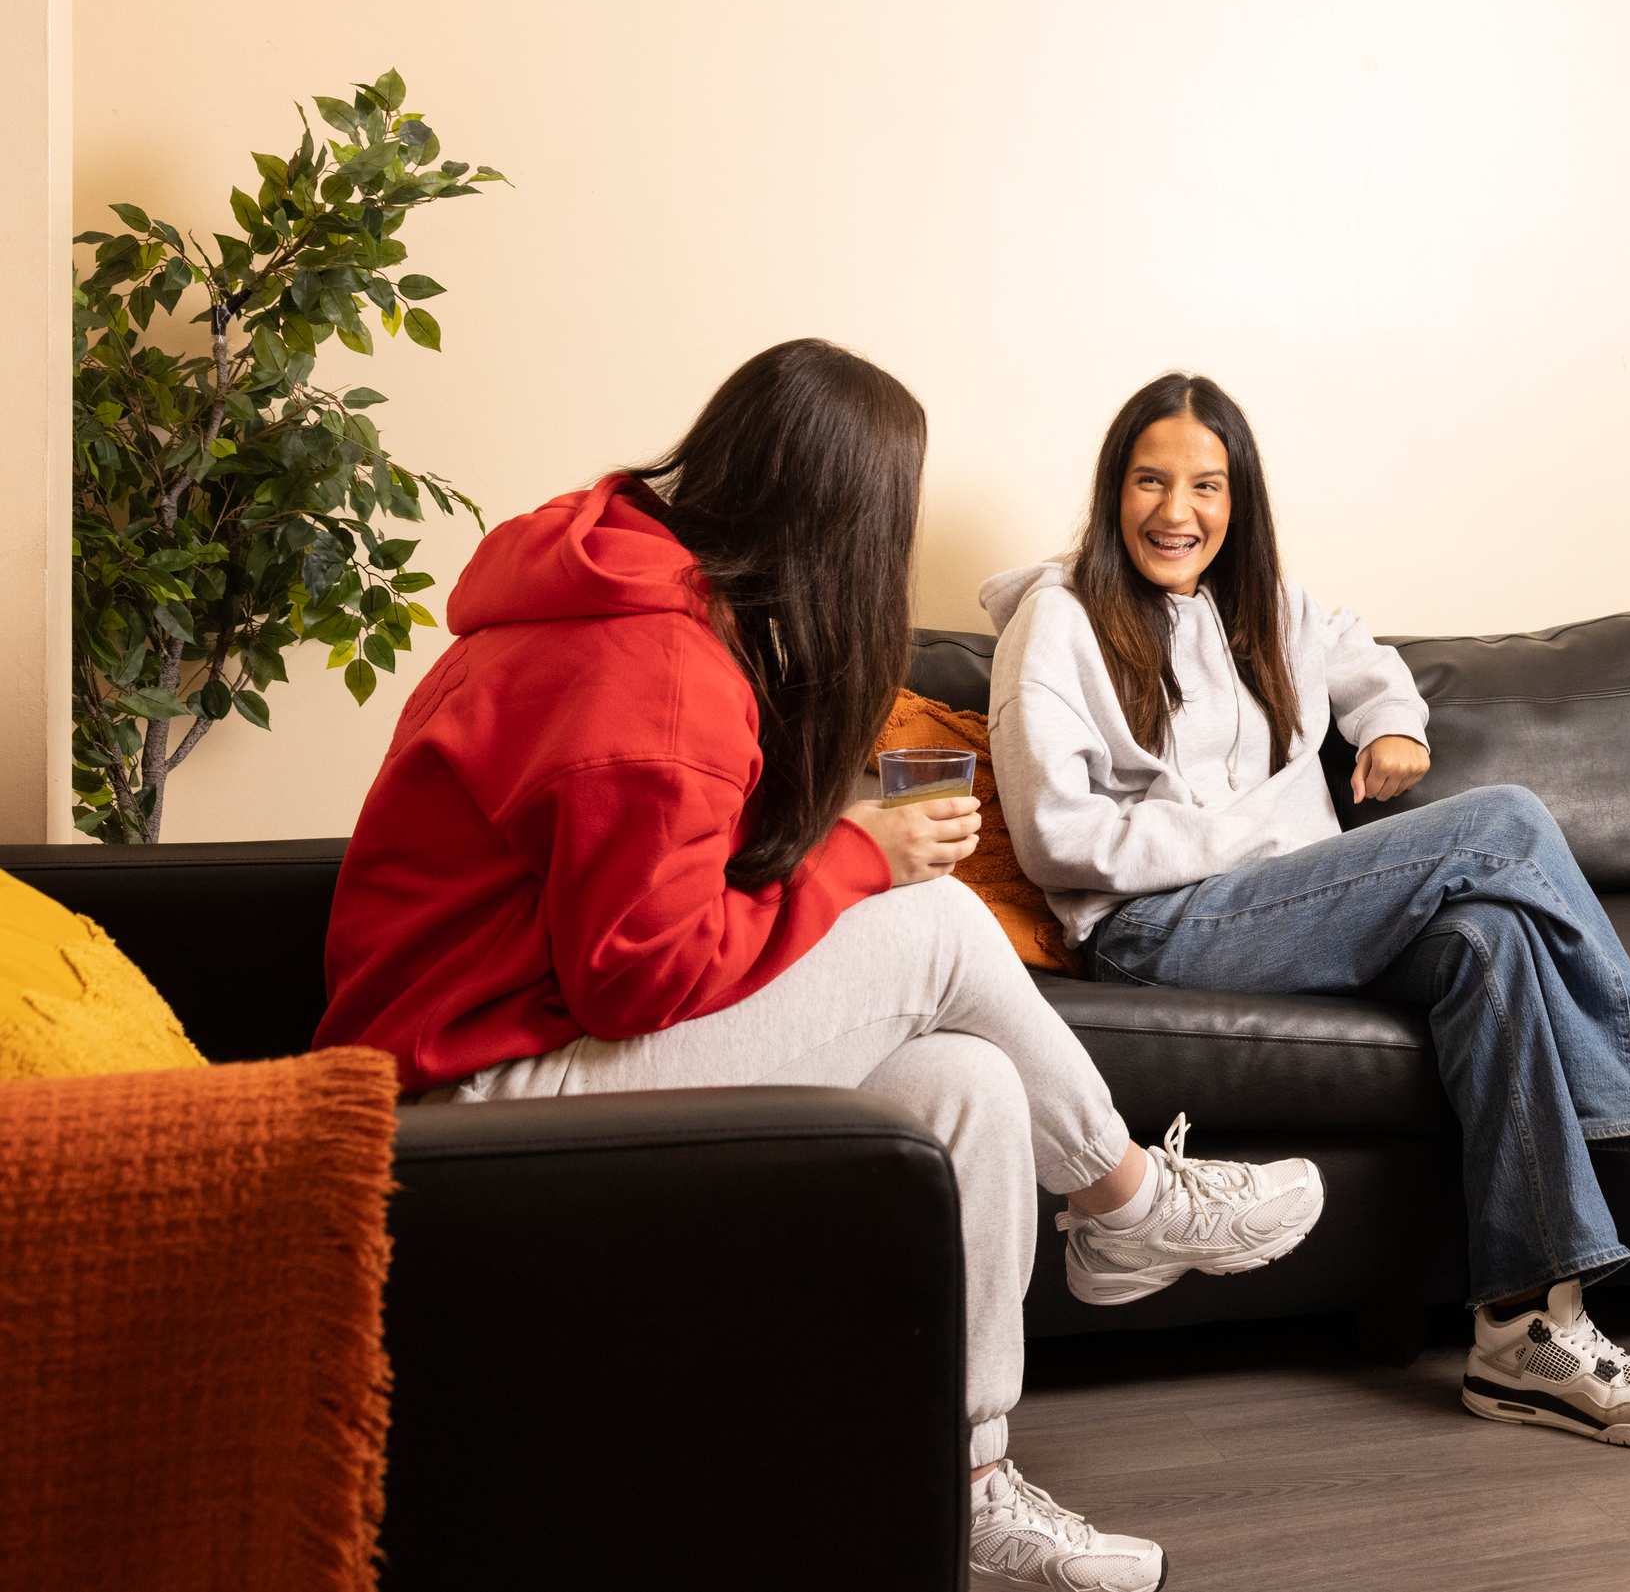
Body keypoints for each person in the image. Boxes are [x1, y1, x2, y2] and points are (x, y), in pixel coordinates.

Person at [316, 339, 1325, 1591]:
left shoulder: (634, 593)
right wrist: (855, 859)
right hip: (467, 1107)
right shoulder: (656, 669)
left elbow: (647, 906)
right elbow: (638, 976)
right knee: (945, 927)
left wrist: (831, 847)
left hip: (514, 1046)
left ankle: (970, 1488)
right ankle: (1126, 1199)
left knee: (969, 1085)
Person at [985, 371, 1630, 1450]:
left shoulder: (1268, 602)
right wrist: (1269, 835)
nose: (1176, 511)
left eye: (1205, 486)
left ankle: (1525, 1333)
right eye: (1149, 481)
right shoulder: (1058, 620)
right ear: (1113, 489)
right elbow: (1057, 838)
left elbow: (1366, 660)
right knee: (1504, 821)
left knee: (1492, 938)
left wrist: (1390, 726)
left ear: (1240, 503)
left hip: (1279, 908)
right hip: (1151, 927)